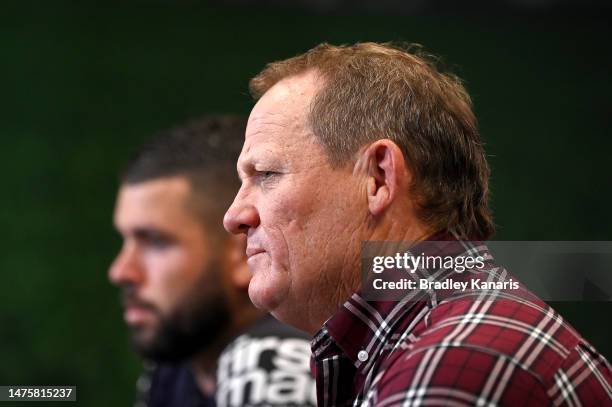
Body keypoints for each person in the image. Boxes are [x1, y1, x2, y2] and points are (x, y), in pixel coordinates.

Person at [223, 43, 612, 406]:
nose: (234, 216)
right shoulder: (445, 333)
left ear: (378, 177)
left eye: (267, 173)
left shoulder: (454, 361)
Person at [109, 116, 316, 407]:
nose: (121, 272)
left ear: (243, 252)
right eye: (126, 240)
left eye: (155, 242)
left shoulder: (270, 362)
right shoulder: (176, 368)